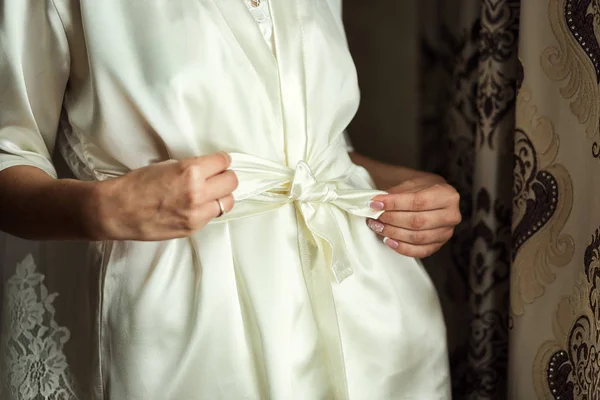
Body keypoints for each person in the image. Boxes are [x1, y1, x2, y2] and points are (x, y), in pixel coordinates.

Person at [0, 0, 460, 398]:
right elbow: (10, 153)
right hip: (191, 328)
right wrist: (102, 209)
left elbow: (314, 147)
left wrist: (411, 188)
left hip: (374, 314)